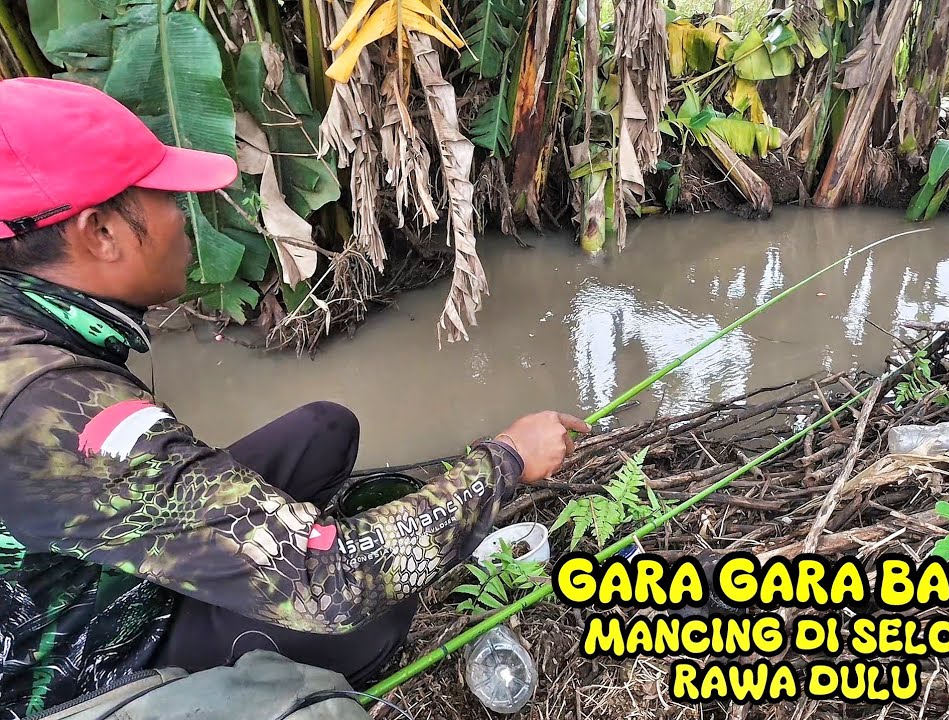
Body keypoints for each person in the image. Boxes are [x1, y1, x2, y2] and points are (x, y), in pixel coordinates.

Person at [0, 77, 589, 719]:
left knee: (322, 429)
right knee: (365, 620)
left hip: (84, 572)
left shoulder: (32, 330)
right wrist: (505, 462)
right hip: (66, 662)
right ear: (100, 233)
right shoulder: (64, 407)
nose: (189, 218)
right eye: (167, 198)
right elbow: (328, 585)